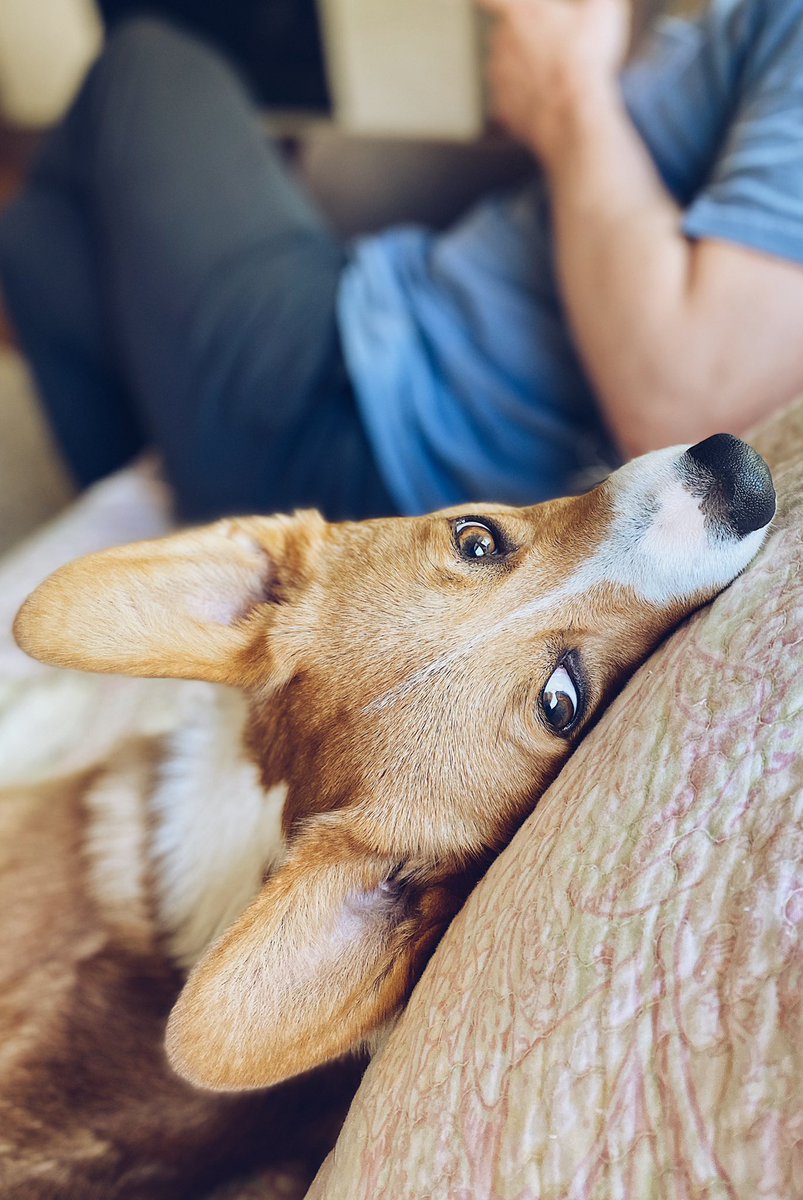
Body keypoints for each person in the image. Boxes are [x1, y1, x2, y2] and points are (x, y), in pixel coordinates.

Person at [1, 0, 802, 524]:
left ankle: (191, 496)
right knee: (37, 243)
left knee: (150, 57)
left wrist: (566, 94)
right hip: (381, 374)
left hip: (365, 431)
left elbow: (691, 400)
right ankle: (172, 505)